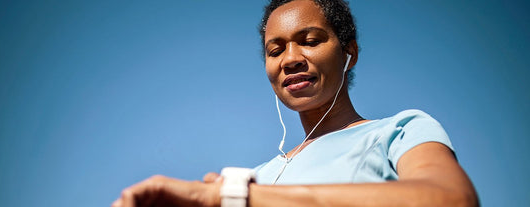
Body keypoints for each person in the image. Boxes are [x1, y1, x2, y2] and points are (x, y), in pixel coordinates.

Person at [112, 0, 479, 206]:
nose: (290, 59)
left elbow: (451, 199)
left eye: (310, 40)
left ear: (348, 51)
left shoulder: (400, 132)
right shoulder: (260, 176)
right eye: (275, 50)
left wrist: (235, 196)